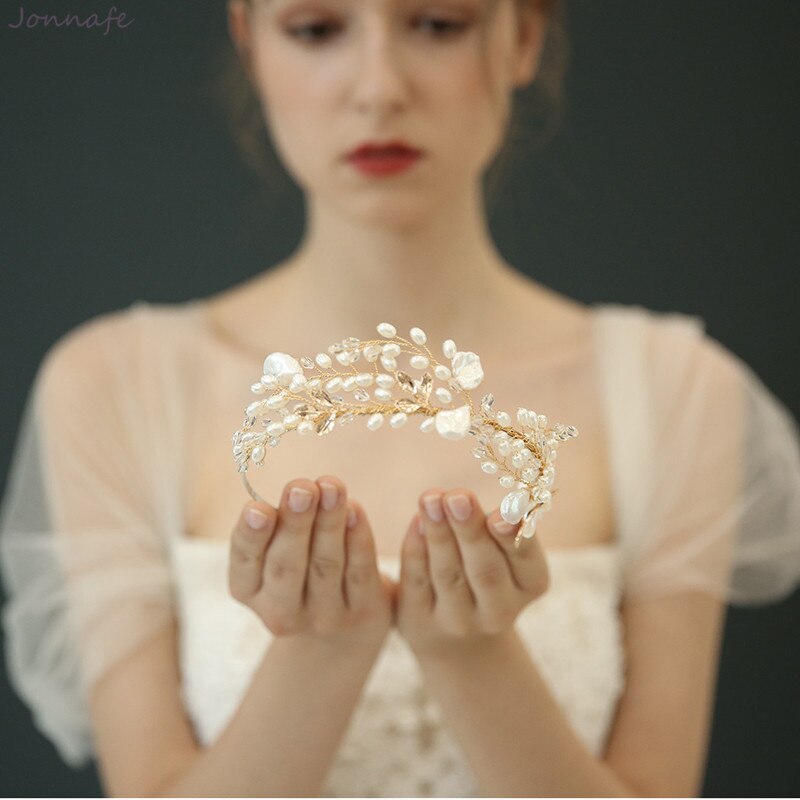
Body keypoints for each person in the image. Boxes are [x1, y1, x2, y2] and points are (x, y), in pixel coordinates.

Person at [1, 0, 799, 796]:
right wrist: (318, 653)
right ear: (249, 40)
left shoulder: (675, 392)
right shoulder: (114, 385)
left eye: (437, 24)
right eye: (316, 30)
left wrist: (475, 655)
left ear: (522, 38)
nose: (379, 88)